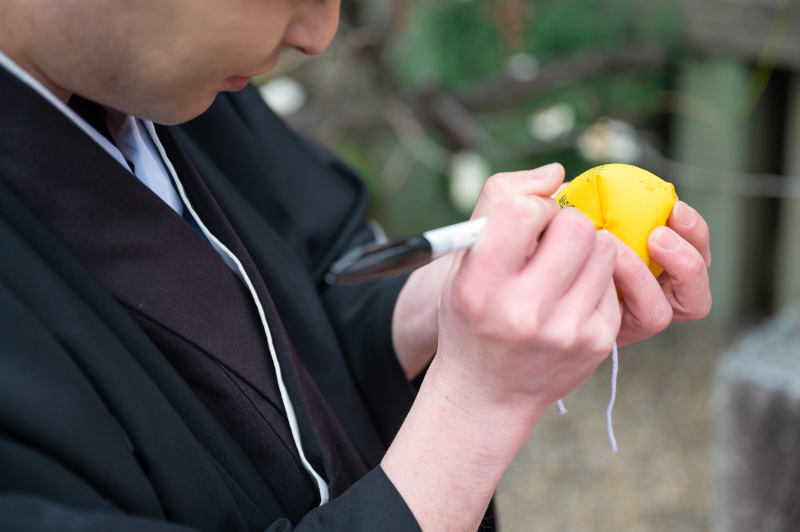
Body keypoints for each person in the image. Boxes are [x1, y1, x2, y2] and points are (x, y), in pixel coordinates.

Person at [0, 0, 712, 530]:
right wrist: (476, 412)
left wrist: (453, 300)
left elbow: (317, 289)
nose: (318, 34)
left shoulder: (168, 87)